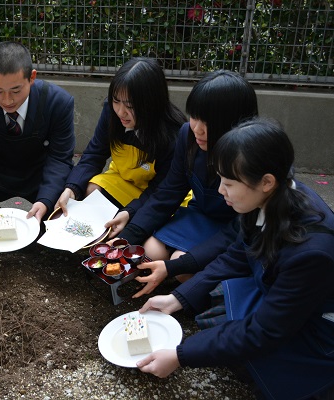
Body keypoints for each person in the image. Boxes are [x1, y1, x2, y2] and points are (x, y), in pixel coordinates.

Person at [137, 118, 334, 400]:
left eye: (229, 183)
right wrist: (177, 298)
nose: (220, 190)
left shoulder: (311, 253)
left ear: (267, 181)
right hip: (280, 300)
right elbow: (237, 254)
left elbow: (264, 331)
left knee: (260, 367)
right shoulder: (271, 197)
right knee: (222, 329)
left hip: (317, 330)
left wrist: (181, 355)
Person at [109, 70, 258, 297]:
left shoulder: (252, 156)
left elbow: (240, 229)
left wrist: (177, 266)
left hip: (235, 227)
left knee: (183, 267)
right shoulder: (188, 135)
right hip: (200, 215)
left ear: (235, 123)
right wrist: (129, 235)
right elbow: (169, 190)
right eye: (194, 116)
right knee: (150, 251)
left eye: (208, 122)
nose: (197, 128)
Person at [0, 41, 75, 232]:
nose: (7, 100)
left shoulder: (58, 102)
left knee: (67, 199)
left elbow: (60, 158)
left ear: (32, 77)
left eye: (16, 90)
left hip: (38, 174)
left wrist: (46, 200)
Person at [55, 57, 189, 217]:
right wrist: (71, 188)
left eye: (130, 106)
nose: (120, 112)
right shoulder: (111, 112)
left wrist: (129, 212)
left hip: (158, 194)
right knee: (92, 190)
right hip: (124, 182)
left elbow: (160, 191)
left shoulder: (173, 135)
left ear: (152, 103)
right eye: (116, 101)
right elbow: (94, 155)